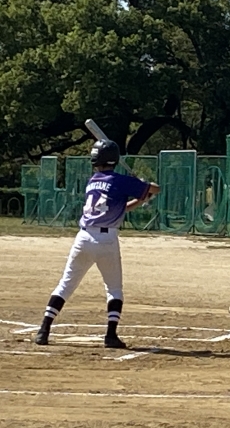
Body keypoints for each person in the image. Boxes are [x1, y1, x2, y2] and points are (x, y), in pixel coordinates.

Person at [34, 139, 160, 349]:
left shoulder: (93, 180)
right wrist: (144, 185)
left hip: (83, 238)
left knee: (65, 285)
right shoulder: (120, 180)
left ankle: (43, 330)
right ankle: (110, 335)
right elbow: (157, 189)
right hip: (107, 240)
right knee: (114, 289)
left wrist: (140, 198)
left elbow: (118, 208)